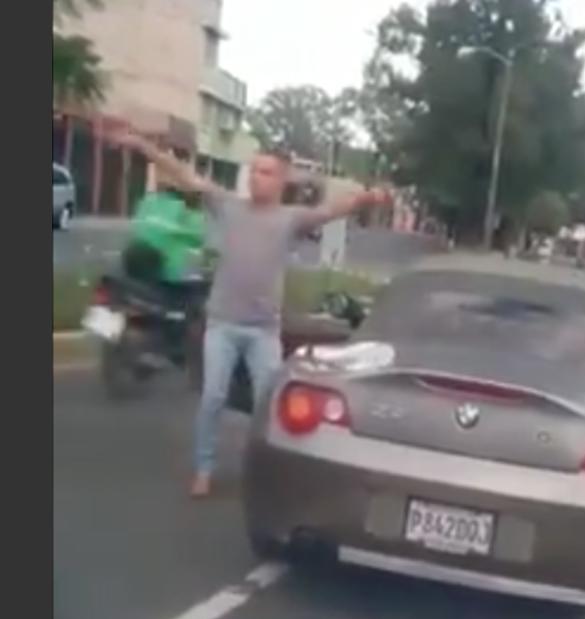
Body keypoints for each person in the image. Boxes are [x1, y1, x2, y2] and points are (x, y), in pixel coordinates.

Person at [110, 127, 386, 497]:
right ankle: (203, 468)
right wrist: (142, 145)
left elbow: (334, 209)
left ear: (282, 181)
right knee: (212, 397)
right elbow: (185, 175)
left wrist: (369, 197)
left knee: (267, 406)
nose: (257, 177)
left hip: (263, 331)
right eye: (254, 170)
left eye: (267, 172)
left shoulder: (291, 218)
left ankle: (263, 471)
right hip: (223, 323)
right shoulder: (228, 205)